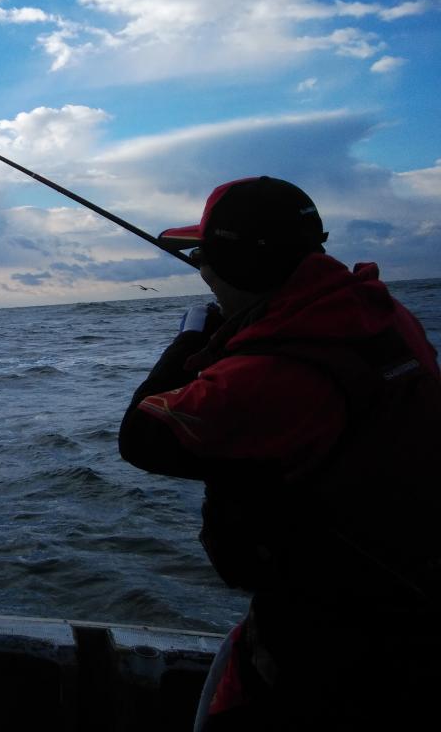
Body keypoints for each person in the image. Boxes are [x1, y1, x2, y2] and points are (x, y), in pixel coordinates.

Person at [119, 176, 441, 730]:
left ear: (239, 265)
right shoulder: (383, 315)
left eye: (203, 257)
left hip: (333, 646)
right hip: (410, 606)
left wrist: (190, 338)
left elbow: (142, 436)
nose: (201, 269)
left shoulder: (271, 373)